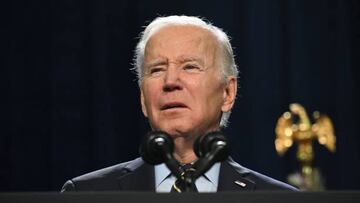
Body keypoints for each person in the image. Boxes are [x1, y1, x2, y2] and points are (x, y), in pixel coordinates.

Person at [61, 15, 297, 192]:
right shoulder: (87, 193)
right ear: (144, 98)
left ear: (227, 92)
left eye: (190, 67)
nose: (170, 81)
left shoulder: (278, 198)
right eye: (157, 69)